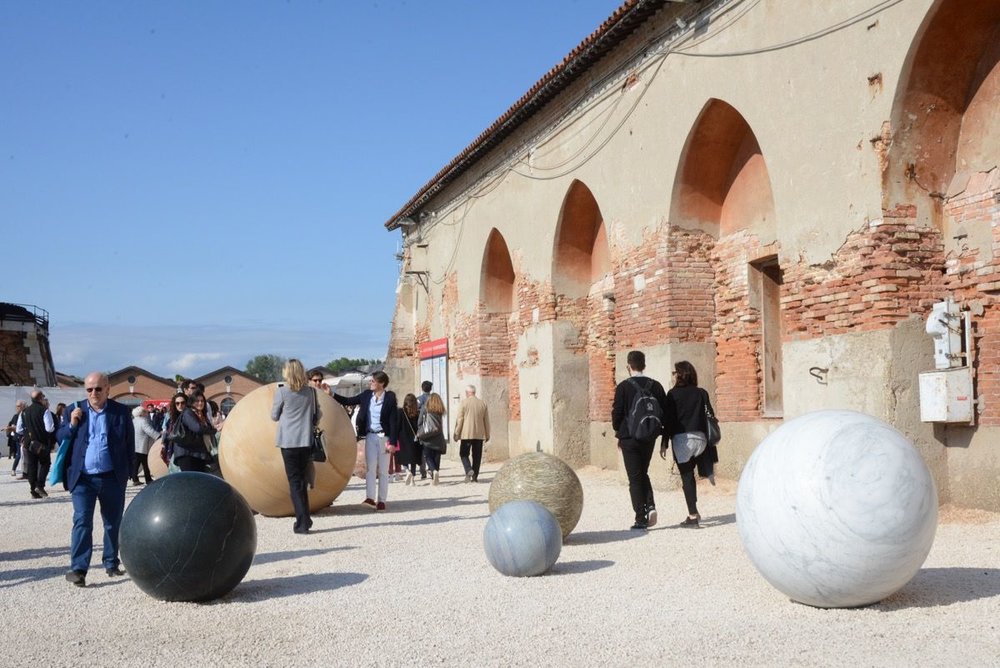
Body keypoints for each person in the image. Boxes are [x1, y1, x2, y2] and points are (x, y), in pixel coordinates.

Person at [57, 372, 135, 587]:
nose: (93, 393)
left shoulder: (120, 412)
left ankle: (111, 562)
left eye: (98, 389)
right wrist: (72, 424)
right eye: (89, 389)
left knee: (112, 522)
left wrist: (130, 473)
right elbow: (59, 436)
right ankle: (79, 568)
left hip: (112, 477)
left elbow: (129, 443)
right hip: (83, 479)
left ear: (108, 389)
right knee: (82, 521)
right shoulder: (75, 409)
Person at [611, 350, 668, 531]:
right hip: (649, 436)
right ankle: (650, 506)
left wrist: (618, 433)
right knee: (643, 472)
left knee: (634, 478)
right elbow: (665, 411)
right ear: (644, 365)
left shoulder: (623, 387)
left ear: (629, 366)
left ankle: (640, 518)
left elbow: (617, 413)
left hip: (629, 438)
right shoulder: (656, 386)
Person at [328, 371, 397, 510]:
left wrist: (393, 442)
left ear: (381, 383)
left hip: (384, 437)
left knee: (383, 470)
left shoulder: (389, 399)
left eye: (373, 381)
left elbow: (394, 422)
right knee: (370, 469)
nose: (370, 383)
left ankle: (382, 500)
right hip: (370, 436)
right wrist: (332, 394)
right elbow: (349, 401)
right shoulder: (366, 396)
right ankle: (370, 498)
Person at [662, 360, 717, 528]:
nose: (672, 375)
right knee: (692, 473)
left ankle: (693, 515)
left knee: (687, 477)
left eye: (674, 372)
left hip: (682, 441)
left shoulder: (672, 394)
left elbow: (668, 421)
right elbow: (710, 415)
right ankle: (707, 470)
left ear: (680, 374)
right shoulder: (702, 393)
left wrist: (664, 442)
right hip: (700, 439)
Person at [271, 359, 317, 534]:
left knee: (294, 482)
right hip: (306, 441)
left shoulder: (282, 392)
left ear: (288, 373)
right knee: (302, 481)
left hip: (288, 442)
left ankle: (302, 523)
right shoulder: (311, 392)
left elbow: (274, 416)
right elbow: (317, 414)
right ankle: (306, 518)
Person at [16, 390, 55, 498]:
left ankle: (33, 490)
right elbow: (50, 428)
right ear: (41, 398)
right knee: (45, 463)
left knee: (31, 466)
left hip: (28, 443)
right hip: (41, 442)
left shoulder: (24, 412)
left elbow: (19, 429)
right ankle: (40, 485)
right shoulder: (44, 410)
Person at [164, 392, 214, 473]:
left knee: (197, 480)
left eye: (202, 401)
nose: (200, 403)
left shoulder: (199, 414)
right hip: (187, 453)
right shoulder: (188, 412)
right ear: (191, 402)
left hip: (195, 453)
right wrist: (213, 430)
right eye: (197, 401)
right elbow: (197, 428)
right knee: (191, 481)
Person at [453, 384, 490, 483]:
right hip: (479, 434)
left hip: (466, 434)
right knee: (477, 456)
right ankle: (475, 477)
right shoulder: (483, 403)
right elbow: (486, 420)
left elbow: (460, 419)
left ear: (467, 393)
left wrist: (456, 433)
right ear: (474, 392)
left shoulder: (463, 403)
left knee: (464, 454)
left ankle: (469, 469)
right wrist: (487, 434)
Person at [389, 393, 424, 485]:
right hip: (414, 438)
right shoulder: (417, 412)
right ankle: (412, 479)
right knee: (413, 459)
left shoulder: (400, 412)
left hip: (403, 438)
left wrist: (394, 437)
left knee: (401, 458)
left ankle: (407, 471)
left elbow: (397, 426)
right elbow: (420, 425)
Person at [418, 392, 448, 485]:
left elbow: (419, 422)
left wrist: (420, 431)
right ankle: (435, 475)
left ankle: (434, 471)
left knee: (428, 457)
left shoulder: (425, 408)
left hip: (427, 437)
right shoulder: (440, 410)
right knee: (436, 457)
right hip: (438, 437)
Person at [131, 405, 160, 485]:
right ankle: (148, 479)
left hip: (135, 445)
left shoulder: (134, 420)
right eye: (145, 411)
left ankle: (135, 479)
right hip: (143, 446)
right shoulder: (143, 421)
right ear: (141, 413)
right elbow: (149, 431)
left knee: (137, 463)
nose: (146, 413)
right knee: (145, 463)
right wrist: (158, 436)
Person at [7, 400, 26, 476]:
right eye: (16, 406)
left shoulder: (25, 414)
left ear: (22, 406)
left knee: (26, 455)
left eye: (18, 406)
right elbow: (13, 426)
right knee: (19, 454)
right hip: (18, 437)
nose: (17, 408)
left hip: (25, 436)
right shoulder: (16, 416)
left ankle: (25, 471)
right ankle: (13, 469)